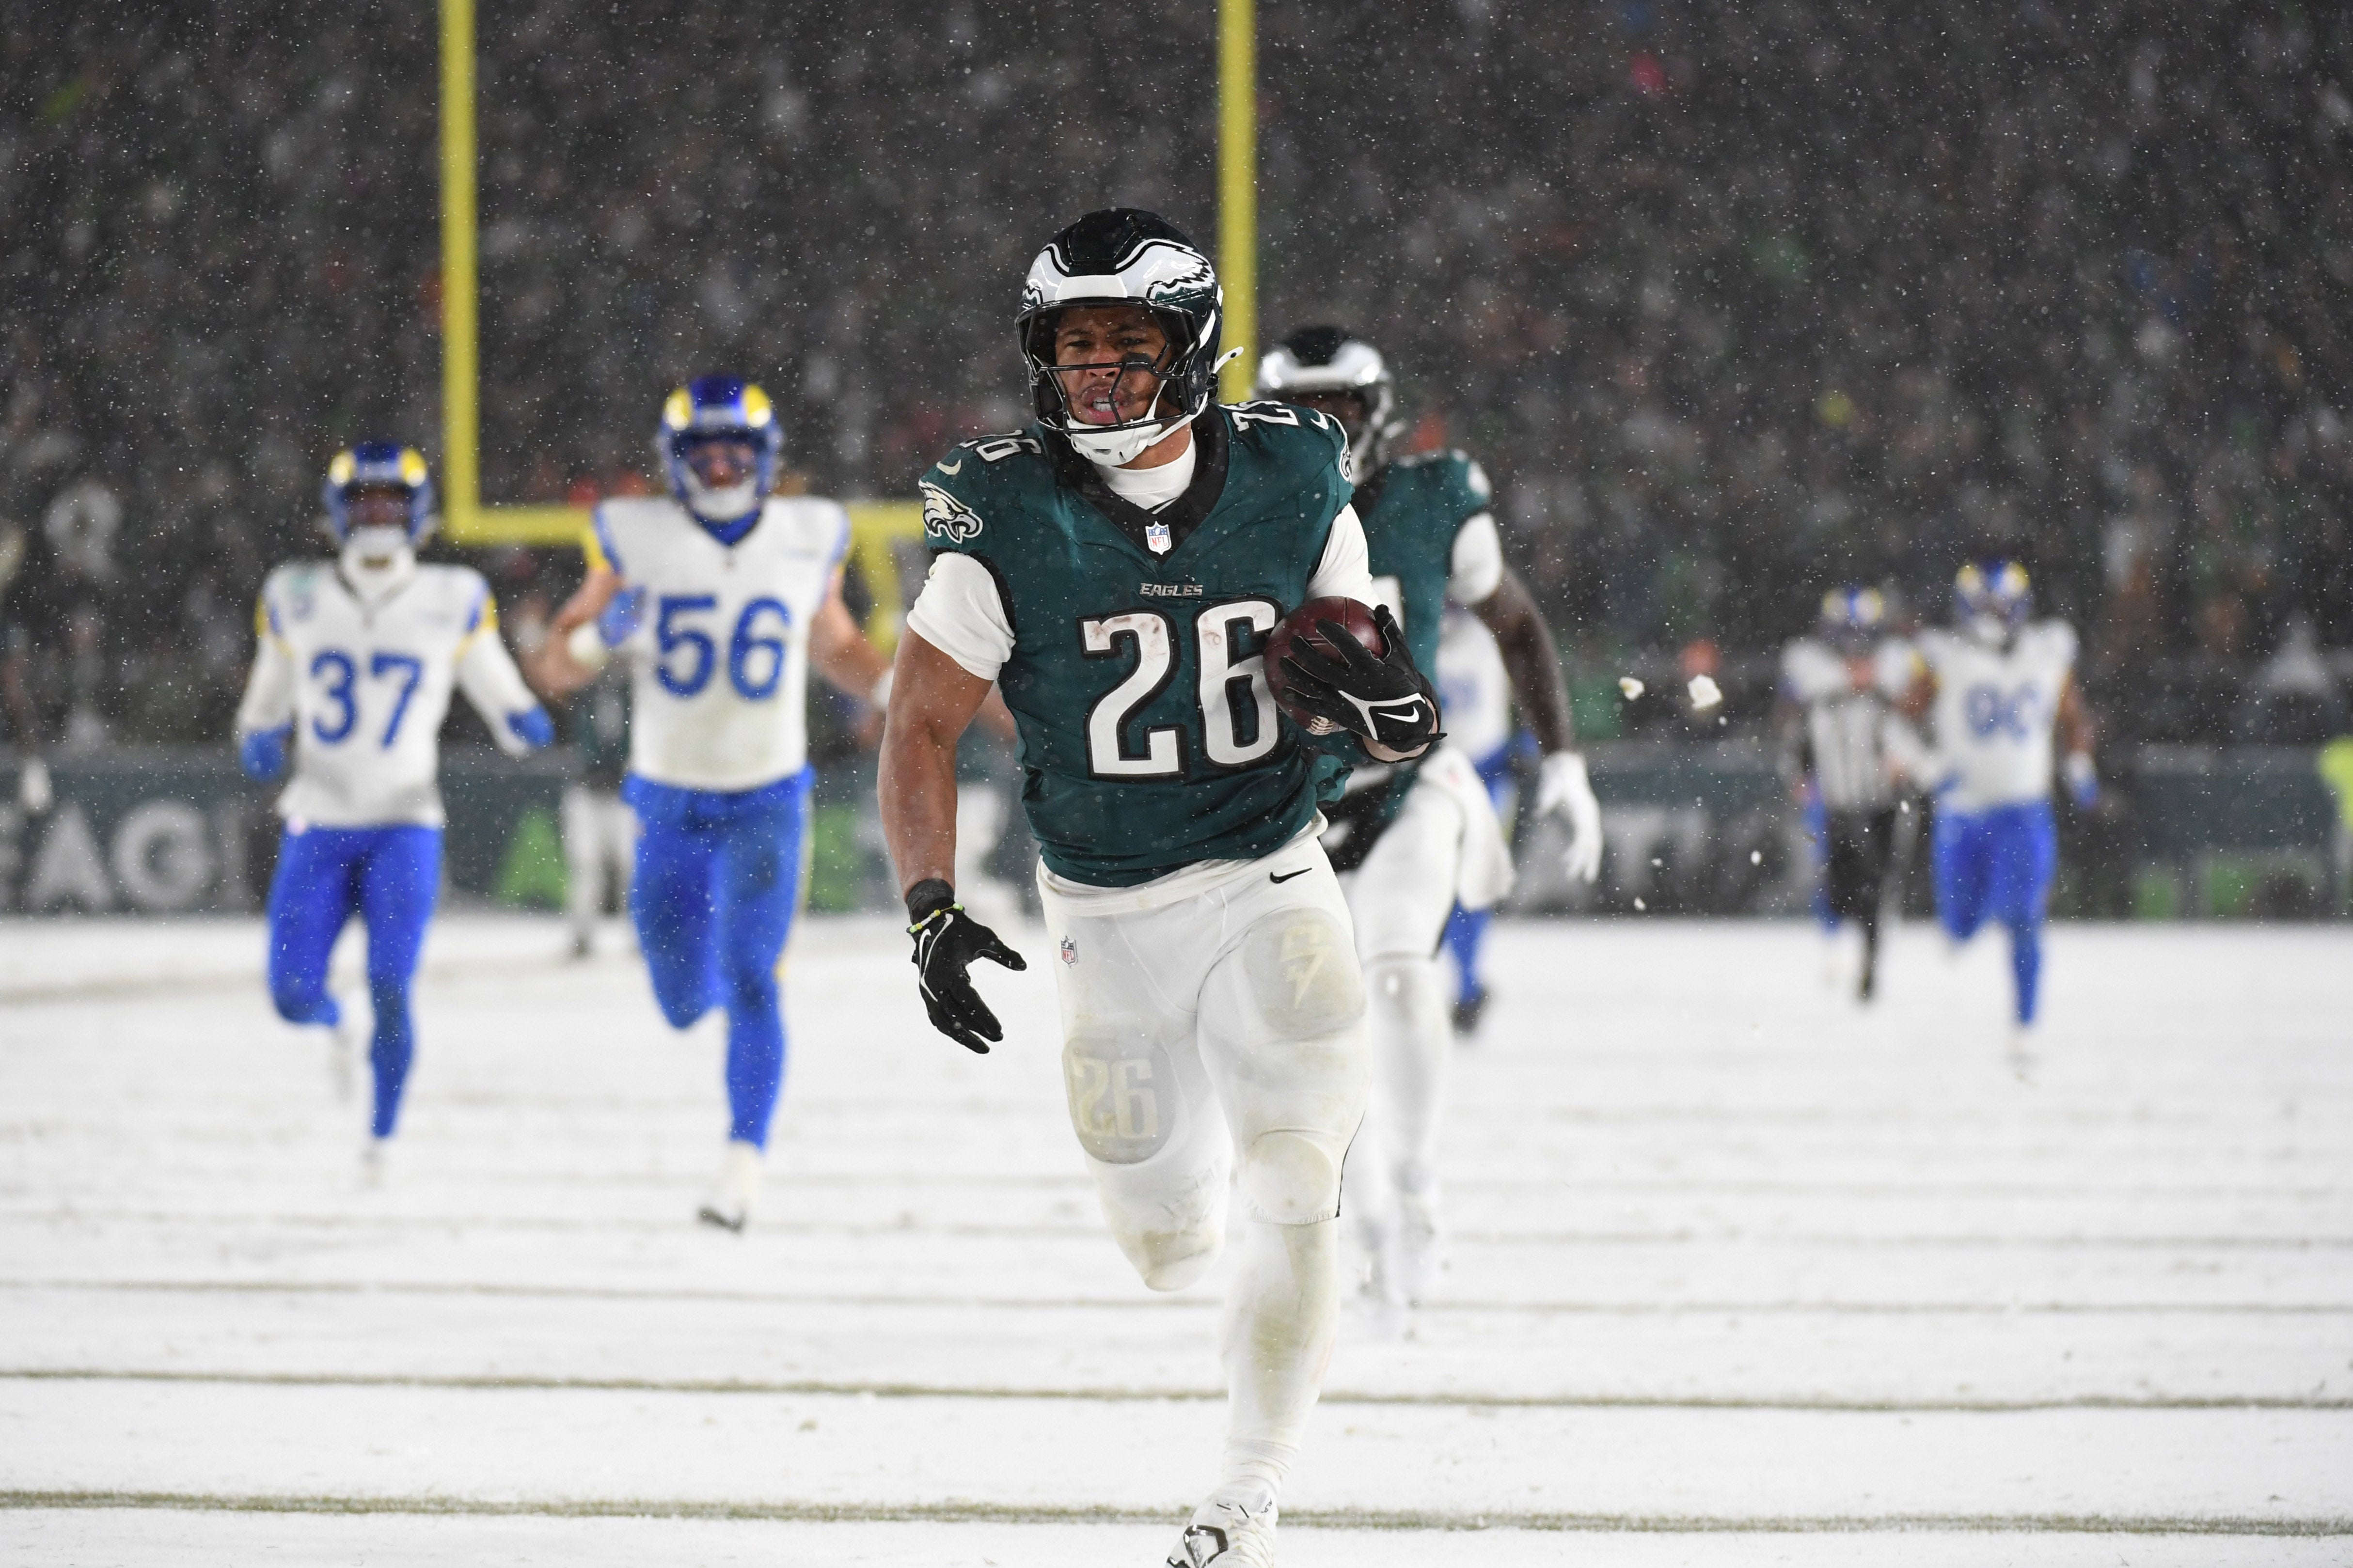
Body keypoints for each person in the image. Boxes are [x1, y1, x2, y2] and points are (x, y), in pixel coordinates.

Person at [877, 210, 1442, 1568]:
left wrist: (1388, 705)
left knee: (1298, 1166)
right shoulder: (1000, 507)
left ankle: (1244, 1490)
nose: (1097, 378)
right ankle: (1208, 1269)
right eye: (1074, 349)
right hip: (1103, 909)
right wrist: (930, 908)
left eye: (1127, 347)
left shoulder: (1294, 472)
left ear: (1189, 348)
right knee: (1160, 1236)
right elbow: (918, 725)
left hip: (1264, 866)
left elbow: (1382, 686)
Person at [1251, 326, 1601, 1328]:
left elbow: (1519, 623)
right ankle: (1367, 1244)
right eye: (1303, 411)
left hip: (1413, 780)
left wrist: (1564, 761)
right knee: (1313, 1038)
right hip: (1292, 801)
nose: (1324, 432)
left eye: (1342, 412)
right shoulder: (1233, 516)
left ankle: (1416, 1188)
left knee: (1401, 971)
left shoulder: (1432, 497)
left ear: (1381, 419)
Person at [528, 377, 892, 1231]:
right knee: (681, 997)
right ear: (676, 462)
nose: (723, 464)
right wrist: (596, 635)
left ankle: (741, 1163)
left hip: (769, 794)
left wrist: (896, 690)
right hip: (669, 800)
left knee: (754, 979)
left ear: (765, 459)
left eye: (737, 449)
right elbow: (554, 668)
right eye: (705, 451)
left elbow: (835, 642)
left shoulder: (809, 534)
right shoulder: (633, 536)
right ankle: (732, 1046)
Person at [234, 444, 553, 1176]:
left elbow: (497, 688)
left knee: (391, 982)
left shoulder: (452, 595)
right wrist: (256, 733)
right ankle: (334, 1025)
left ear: (417, 514)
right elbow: (266, 699)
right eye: (365, 503)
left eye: (390, 503)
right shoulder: (296, 592)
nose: (377, 517)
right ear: (339, 512)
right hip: (318, 814)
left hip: (406, 821)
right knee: (289, 994)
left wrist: (520, 719)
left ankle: (381, 1134)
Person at [1897, 561, 2096, 1056]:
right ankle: (1973, 924)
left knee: (2024, 915)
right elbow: (1898, 723)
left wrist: (2079, 761)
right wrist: (1926, 766)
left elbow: (2073, 715)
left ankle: (2024, 1025)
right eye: (1983, 606)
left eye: (2001, 605)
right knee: (1959, 925)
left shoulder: (2047, 649)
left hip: (2023, 810)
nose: (1992, 616)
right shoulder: (1941, 654)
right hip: (1962, 812)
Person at [1777, 586, 1913, 1001]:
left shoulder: (1898, 660)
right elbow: (1794, 721)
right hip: (1836, 793)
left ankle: (1870, 961)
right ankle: (1835, 944)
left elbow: (1913, 709)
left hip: (1885, 793)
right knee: (1838, 883)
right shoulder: (1808, 663)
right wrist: (1797, 770)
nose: (1855, 642)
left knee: (1879, 882)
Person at [1433, 605, 1530, 1033]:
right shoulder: (1399, 623)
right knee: (1437, 887)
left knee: (1471, 886)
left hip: (1488, 774)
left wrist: (1527, 744)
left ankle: (1468, 986)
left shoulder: (1493, 628)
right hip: (1429, 777)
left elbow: (1530, 686)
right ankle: (1457, 986)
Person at [560, 660, 634, 960]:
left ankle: (639, 935)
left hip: (623, 793)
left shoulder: (633, 696)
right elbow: (554, 678)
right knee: (586, 866)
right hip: (588, 790)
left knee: (631, 866)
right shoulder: (585, 694)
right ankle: (582, 935)